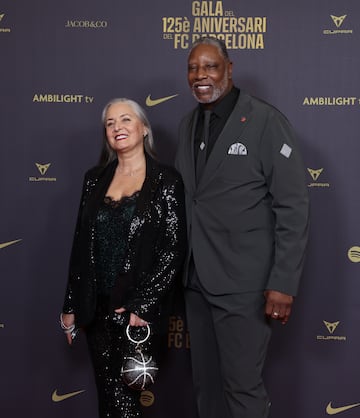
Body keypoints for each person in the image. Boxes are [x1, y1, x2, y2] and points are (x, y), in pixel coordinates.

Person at [175, 37, 309, 418]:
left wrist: (284, 282)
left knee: (242, 388)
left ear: (229, 69)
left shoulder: (266, 121)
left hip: (245, 285)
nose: (201, 75)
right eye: (193, 68)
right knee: (207, 389)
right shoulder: (187, 125)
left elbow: (293, 205)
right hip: (197, 281)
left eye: (210, 66)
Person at [61, 98, 186, 418]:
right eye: (110, 123)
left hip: (138, 315)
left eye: (126, 120)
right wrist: (71, 304)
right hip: (97, 311)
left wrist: (143, 304)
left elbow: (173, 249)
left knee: (125, 400)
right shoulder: (94, 179)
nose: (117, 128)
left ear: (144, 129)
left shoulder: (167, 181)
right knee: (109, 397)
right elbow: (80, 245)